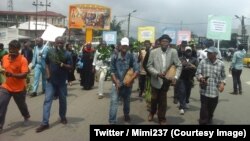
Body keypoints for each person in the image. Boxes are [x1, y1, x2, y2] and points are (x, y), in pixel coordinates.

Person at [36, 36, 72, 133]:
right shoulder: (50, 52)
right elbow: (46, 63)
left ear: (64, 44)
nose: (59, 44)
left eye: (61, 43)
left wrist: (63, 64)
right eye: (58, 43)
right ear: (55, 43)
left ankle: (63, 117)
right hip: (51, 81)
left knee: (63, 100)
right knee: (47, 101)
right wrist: (48, 74)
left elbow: (70, 67)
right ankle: (45, 123)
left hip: (62, 82)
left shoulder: (67, 54)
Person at [146, 34, 182, 125]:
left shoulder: (173, 51)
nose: (164, 43)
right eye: (163, 41)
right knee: (154, 99)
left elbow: (179, 65)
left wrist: (175, 77)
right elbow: (149, 66)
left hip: (166, 81)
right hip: (155, 80)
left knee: (163, 100)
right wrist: (157, 73)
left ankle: (162, 118)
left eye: (167, 41)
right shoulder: (153, 52)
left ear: (169, 43)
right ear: (160, 42)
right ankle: (152, 112)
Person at [0, 40, 30, 132]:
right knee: (1, 104)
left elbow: (24, 75)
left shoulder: (23, 60)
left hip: (19, 89)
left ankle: (26, 116)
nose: (11, 51)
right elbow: (3, 67)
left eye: (14, 49)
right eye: (10, 49)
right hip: (6, 87)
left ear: (18, 49)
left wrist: (12, 75)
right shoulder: (5, 58)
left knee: (21, 106)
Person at [108, 37, 139, 124]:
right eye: (123, 45)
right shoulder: (114, 56)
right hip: (116, 83)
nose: (124, 46)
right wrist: (116, 82)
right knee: (114, 102)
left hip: (127, 84)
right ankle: (112, 121)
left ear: (128, 46)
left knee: (126, 101)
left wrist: (130, 80)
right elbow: (112, 71)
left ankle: (126, 114)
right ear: (119, 45)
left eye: (126, 45)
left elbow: (137, 70)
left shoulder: (132, 56)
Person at [196, 46, 226, 125]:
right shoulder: (203, 62)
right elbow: (198, 73)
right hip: (204, 90)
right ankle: (203, 122)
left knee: (211, 109)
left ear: (215, 54)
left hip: (215, 92)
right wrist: (201, 78)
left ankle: (209, 118)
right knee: (204, 109)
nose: (208, 54)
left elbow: (223, 76)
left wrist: (222, 83)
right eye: (208, 52)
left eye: (210, 53)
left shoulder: (221, 64)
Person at [176, 46, 198, 115]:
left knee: (188, 91)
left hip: (190, 78)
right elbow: (177, 67)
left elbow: (197, 68)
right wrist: (182, 65)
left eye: (189, 51)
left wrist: (192, 66)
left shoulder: (194, 59)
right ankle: (182, 107)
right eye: (187, 51)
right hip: (182, 78)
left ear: (191, 52)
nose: (188, 52)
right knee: (182, 91)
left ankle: (186, 102)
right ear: (184, 52)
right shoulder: (180, 59)